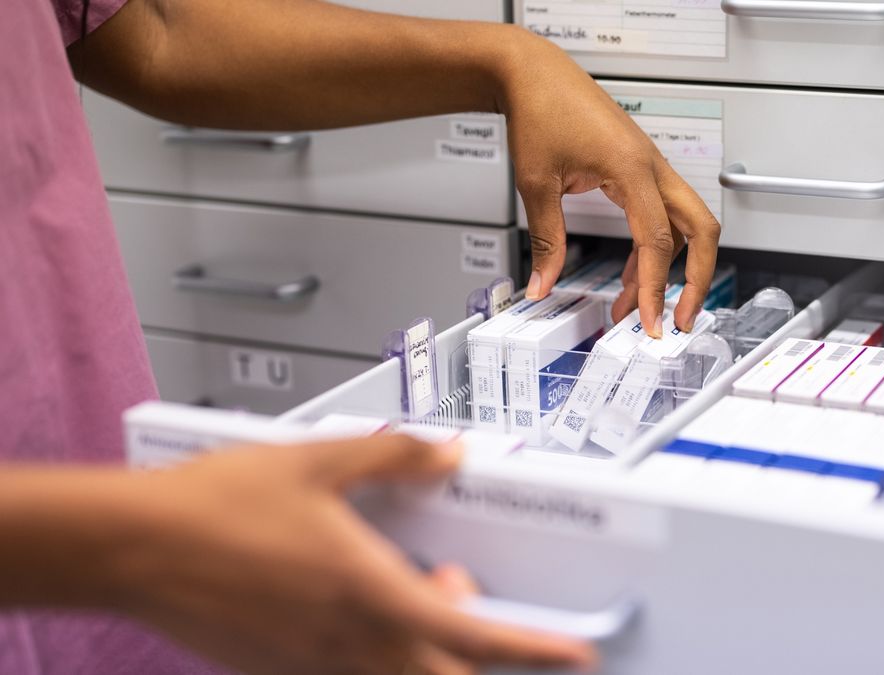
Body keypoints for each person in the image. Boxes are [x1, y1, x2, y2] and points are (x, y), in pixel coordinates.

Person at [1, 0, 722, 673]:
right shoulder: (141, 550)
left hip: (83, 510)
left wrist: (511, 60)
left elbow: (151, 33)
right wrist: (138, 546)